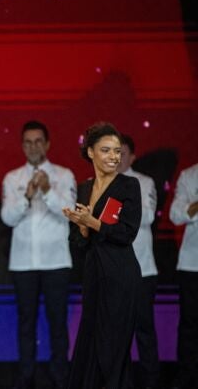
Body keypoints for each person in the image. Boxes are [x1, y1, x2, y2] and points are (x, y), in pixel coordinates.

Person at [62, 122, 142, 389]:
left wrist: (93, 222)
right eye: (106, 150)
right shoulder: (84, 188)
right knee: (91, 340)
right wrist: (82, 226)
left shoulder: (129, 186)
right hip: (94, 274)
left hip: (121, 274)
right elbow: (78, 241)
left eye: (117, 151)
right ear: (91, 153)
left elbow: (126, 233)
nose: (113, 157)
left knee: (114, 345)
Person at [1, 121, 75, 389]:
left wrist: (47, 191)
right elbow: (7, 218)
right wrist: (27, 196)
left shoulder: (64, 175)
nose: (33, 147)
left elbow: (70, 213)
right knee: (26, 323)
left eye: (38, 141)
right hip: (23, 263)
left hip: (56, 261)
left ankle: (60, 376)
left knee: (58, 323)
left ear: (48, 144)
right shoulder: (12, 178)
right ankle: (26, 375)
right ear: (22, 146)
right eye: (28, 142)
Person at [118, 134, 160, 389]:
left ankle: (151, 382)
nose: (116, 158)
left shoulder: (145, 183)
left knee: (144, 332)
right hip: (111, 272)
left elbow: (146, 217)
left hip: (142, 269)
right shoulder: (100, 183)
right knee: (114, 334)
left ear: (132, 157)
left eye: (122, 153)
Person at [169, 162, 198, 389]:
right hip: (192, 263)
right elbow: (175, 214)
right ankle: (186, 375)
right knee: (189, 324)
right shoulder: (189, 176)